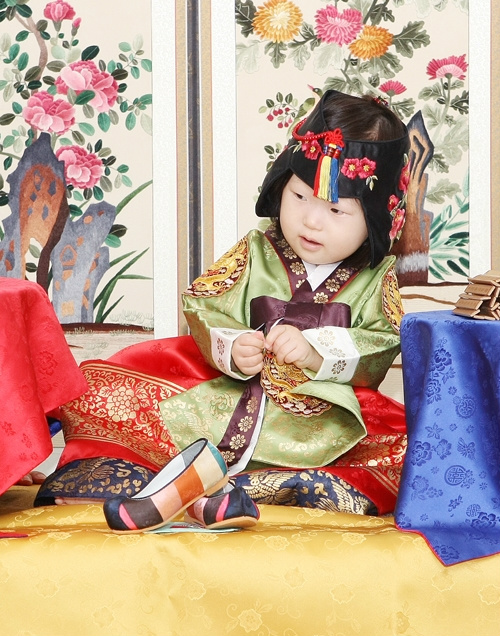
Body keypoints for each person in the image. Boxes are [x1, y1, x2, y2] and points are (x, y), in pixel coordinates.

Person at [39, 90, 410, 528]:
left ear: (376, 217)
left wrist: (316, 352)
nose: (312, 220)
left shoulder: (376, 278)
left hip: (320, 419)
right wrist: (233, 345)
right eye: (299, 196)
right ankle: (186, 491)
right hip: (224, 399)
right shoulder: (256, 250)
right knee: (97, 389)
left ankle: (204, 493)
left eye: (335, 209)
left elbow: (383, 342)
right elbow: (204, 303)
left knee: (412, 451)